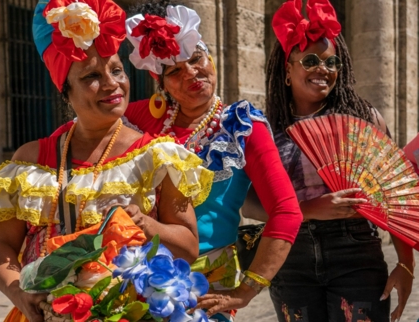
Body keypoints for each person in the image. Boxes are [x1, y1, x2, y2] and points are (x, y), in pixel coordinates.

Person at [0, 1, 213, 321]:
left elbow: (189, 247)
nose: (111, 84)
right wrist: (18, 293)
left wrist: (146, 225)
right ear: (65, 90)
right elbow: (0, 246)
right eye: (91, 76)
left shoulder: (159, 157)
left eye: (117, 70)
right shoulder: (31, 161)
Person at [120, 2, 303, 321]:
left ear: (210, 58)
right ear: (160, 84)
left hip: (203, 288)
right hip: (131, 278)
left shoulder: (243, 127)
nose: (191, 73)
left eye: (196, 59)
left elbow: (286, 211)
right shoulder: (137, 118)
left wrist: (247, 289)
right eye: (175, 71)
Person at [242, 0, 415, 321]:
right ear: (287, 70)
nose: (323, 68)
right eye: (310, 60)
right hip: (289, 256)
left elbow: (395, 195)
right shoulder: (264, 130)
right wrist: (308, 209)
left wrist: (405, 265)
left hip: (356, 252)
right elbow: (247, 202)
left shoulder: (364, 119)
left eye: (332, 62)